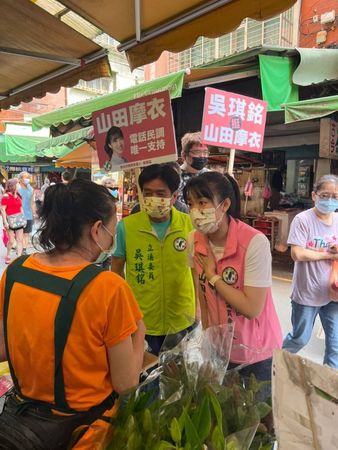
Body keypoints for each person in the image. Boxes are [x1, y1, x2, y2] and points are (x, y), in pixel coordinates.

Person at [0, 179, 145, 449]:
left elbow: (2, 349)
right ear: (97, 230)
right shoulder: (108, 287)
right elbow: (126, 384)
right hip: (83, 434)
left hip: (22, 425)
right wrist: (140, 334)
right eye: (112, 230)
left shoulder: (16, 271)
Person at [184, 171, 282, 388]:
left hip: (256, 352)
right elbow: (202, 295)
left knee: (256, 417)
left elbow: (252, 308)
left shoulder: (254, 243)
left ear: (225, 204)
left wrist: (214, 277)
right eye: (190, 204)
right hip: (220, 348)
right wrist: (209, 339)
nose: (195, 212)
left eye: (202, 203)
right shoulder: (194, 240)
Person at [112, 164, 196, 356]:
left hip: (181, 317)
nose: (153, 199)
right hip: (141, 319)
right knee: (145, 378)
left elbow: (197, 272)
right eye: (148, 193)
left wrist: (198, 312)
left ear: (174, 196)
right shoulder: (126, 226)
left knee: (178, 378)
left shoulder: (189, 225)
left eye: (160, 193)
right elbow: (116, 272)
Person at [283, 174, 338, 369]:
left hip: (333, 293)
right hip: (307, 293)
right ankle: (275, 364)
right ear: (314, 195)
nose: (330, 200)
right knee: (300, 339)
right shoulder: (302, 219)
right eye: (325, 195)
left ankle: (329, 390)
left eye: (335, 196)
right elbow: (297, 253)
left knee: (335, 345)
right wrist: (328, 255)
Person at [178, 131, 209, 203]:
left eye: (205, 152)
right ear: (184, 154)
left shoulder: (210, 176)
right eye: (197, 152)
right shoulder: (175, 177)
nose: (202, 156)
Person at [1, 178, 24, 264]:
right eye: (17, 184)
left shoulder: (18, 195)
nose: (19, 185)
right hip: (9, 220)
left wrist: (23, 216)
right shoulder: (6, 195)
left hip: (19, 219)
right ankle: (8, 254)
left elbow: (20, 207)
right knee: (11, 240)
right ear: (13, 185)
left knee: (20, 239)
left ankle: (19, 258)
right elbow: (2, 209)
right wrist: (5, 222)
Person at [17, 171, 35, 255]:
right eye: (25, 177)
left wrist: (34, 213)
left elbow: (32, 202)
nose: (27, 179)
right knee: (19, 234)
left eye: (28, 177)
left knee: (27, 233)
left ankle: (24, 249)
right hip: (18, 215)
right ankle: (19, 248)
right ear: (20, 179)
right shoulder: (17, 189)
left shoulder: (30, 189)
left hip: (28, 215)